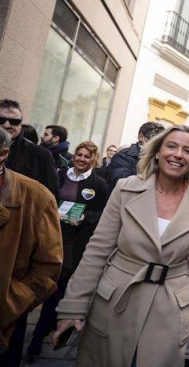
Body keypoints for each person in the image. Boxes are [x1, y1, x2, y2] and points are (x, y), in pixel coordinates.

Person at [53, 125, 189, 367]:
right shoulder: (126, 188)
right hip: (117, 299)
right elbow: (98, 251)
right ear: (157, 152)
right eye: (171, 146)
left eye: (187, 150)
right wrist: (73, 307)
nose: (178, 154)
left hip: (170, 306)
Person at [27, 141, 108, 362]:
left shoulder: (98, 184)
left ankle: (37, 339)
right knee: (42, 284)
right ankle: (42, 327)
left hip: (74, 245)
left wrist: (85, 218)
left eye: (86, 156)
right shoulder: (60, 174)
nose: (81, 159)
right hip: (51, 238)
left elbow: (103, 214)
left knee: (58, 289)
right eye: (79, 155)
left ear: (93, 159)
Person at [0, 127, 63, 366]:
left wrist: (11, 303)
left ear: (3, 154)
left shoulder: (36, 197)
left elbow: (48, 268)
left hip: (6, 324)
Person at [1, 99, 59, 199]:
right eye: (1, 120)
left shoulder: (41, 155)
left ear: (20, 124)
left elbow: (51, 198)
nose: (7, 125)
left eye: (14, 121)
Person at [105, 121, 164, 191]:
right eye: (153, 141)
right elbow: (120, 181)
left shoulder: (161, 158)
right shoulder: (123, 156)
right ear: (141, 137)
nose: (156, 146)